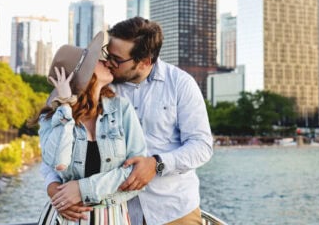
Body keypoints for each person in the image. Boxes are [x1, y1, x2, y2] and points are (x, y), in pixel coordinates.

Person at [43, 17, 213, 225]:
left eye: (117, 59)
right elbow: (58, 143)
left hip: (172, 210)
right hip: (113, 212)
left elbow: (202, 146)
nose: (109, 63)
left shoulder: (180, 84)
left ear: (145, 62)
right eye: (108, 55)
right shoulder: (99, 86)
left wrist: (157, 164)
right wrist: (54, 188)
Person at [35, 32, 147, 224]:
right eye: (97, 59)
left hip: (111, 217)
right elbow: (58, 163)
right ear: (85, 74)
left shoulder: (122, 109)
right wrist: (64, 106)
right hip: (66, 218)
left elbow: (137, 172)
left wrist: (82, 189)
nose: (106, 61)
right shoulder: (52, 118)